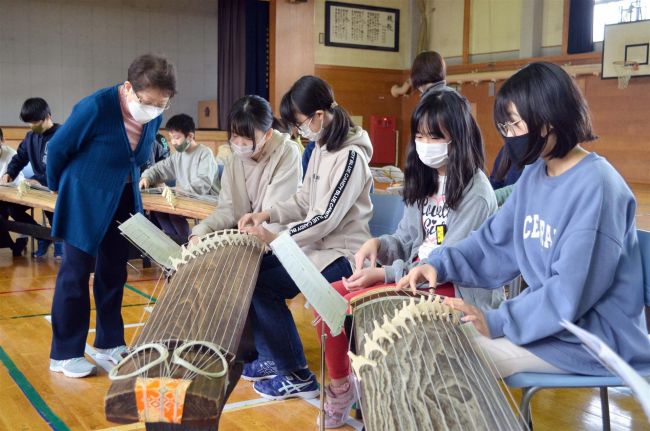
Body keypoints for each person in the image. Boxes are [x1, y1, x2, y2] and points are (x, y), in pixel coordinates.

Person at [397, 62, 650, 379]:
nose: (509, 137)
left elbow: (568, 293)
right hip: (549, 323)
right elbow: (495, 243)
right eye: (505, 128)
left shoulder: (597, 188)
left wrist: (497, 321)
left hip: (591, 339)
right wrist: (439, 263)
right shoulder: (535, 173)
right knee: (425, 342)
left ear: (547, 122)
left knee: (448, 362)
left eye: (514, 126)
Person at [316, 89, 504, 428]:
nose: (425, 143)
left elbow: (448, 261)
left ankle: (387, 401)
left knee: (362, 306)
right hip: (414, 277)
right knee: (325, 300)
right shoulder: (424, 178)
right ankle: (343, 387)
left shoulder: (476, 192)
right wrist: (379, 244)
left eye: (435, 136)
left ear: (457, 138)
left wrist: (386, 275)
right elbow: (405, 239)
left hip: (454, 288)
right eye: (419, 135)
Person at [238, 76, 374, 401]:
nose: (300, 132)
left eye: (300, 124)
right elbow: (303, 201)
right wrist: (267, 215)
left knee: (266, 282)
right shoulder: (319, 149)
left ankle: (296, 373)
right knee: (256, 275)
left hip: (341, 256)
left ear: (319, 115)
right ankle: (280, 359)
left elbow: (326, 218)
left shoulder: (351, 156)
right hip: (314, 250)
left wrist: (276, 238)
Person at [46, 53, 176, 378]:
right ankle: (64, 353)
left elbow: (140, 155)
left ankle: (109, 343)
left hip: (123, 195)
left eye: (163, 105)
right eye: (149, 102)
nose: (154, 111)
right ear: (129, 88)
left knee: (114, 271)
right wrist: (60, 189)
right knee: (75, 274)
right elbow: (59, 148)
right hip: (84, 195)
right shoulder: (96, 107)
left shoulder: (154, 114)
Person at [190, 95, 301, 241]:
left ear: (268, 134)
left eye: (248, 137)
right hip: (247, 237)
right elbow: (227, 210)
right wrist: (201, 232)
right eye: (235, 135)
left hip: (278, 239)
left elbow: (277, 215)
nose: (240, 144)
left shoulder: (286, 152)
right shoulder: (233, 159)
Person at [139, 114, 219, 244]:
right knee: (160, 210)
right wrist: (147, 177)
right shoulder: (178, 156)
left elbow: (203, 184)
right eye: (171, 138)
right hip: (184, 198)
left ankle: (186, 244)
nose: (173, 142)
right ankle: (177, 244)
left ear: (190, 136)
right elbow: (159, 168)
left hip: (206, 200)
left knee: (173, 211)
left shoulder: (205, 153)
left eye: (177, 138)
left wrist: (177, 190)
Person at [0, 98, 63, 258]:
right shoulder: (31, 137)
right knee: (13, 208)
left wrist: (38, 180)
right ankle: (42, 237)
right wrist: (10, 173)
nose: (32, 126)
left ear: (48, 116)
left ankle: (59, 244)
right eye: (29, 123)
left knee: (53, 212)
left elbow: (61, 168)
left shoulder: (62, 135)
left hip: (59, 188)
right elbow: (20, 157)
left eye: (36, 122)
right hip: (39, 188)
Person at [0, 127, 29, 256]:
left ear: (2, 140)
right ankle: (15, 241)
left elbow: (17, 183)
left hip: (17, 195)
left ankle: (24, 236)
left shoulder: (11, 155)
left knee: (10, 209)